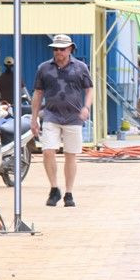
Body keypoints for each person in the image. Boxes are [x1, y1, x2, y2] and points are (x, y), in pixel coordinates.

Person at [30, 34, 93, 208]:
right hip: (51, 114)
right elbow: (38, 93)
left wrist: (86, 107)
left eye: (62, 49)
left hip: (73, 117)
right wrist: (34, 118)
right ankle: (54, 188)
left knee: (70, 155)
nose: (58, 52)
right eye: (56, 49)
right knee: (48, 150)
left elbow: (89, 89)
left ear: (70, 48)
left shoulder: (80, 68)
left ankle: (69, 192)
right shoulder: (44, 68)